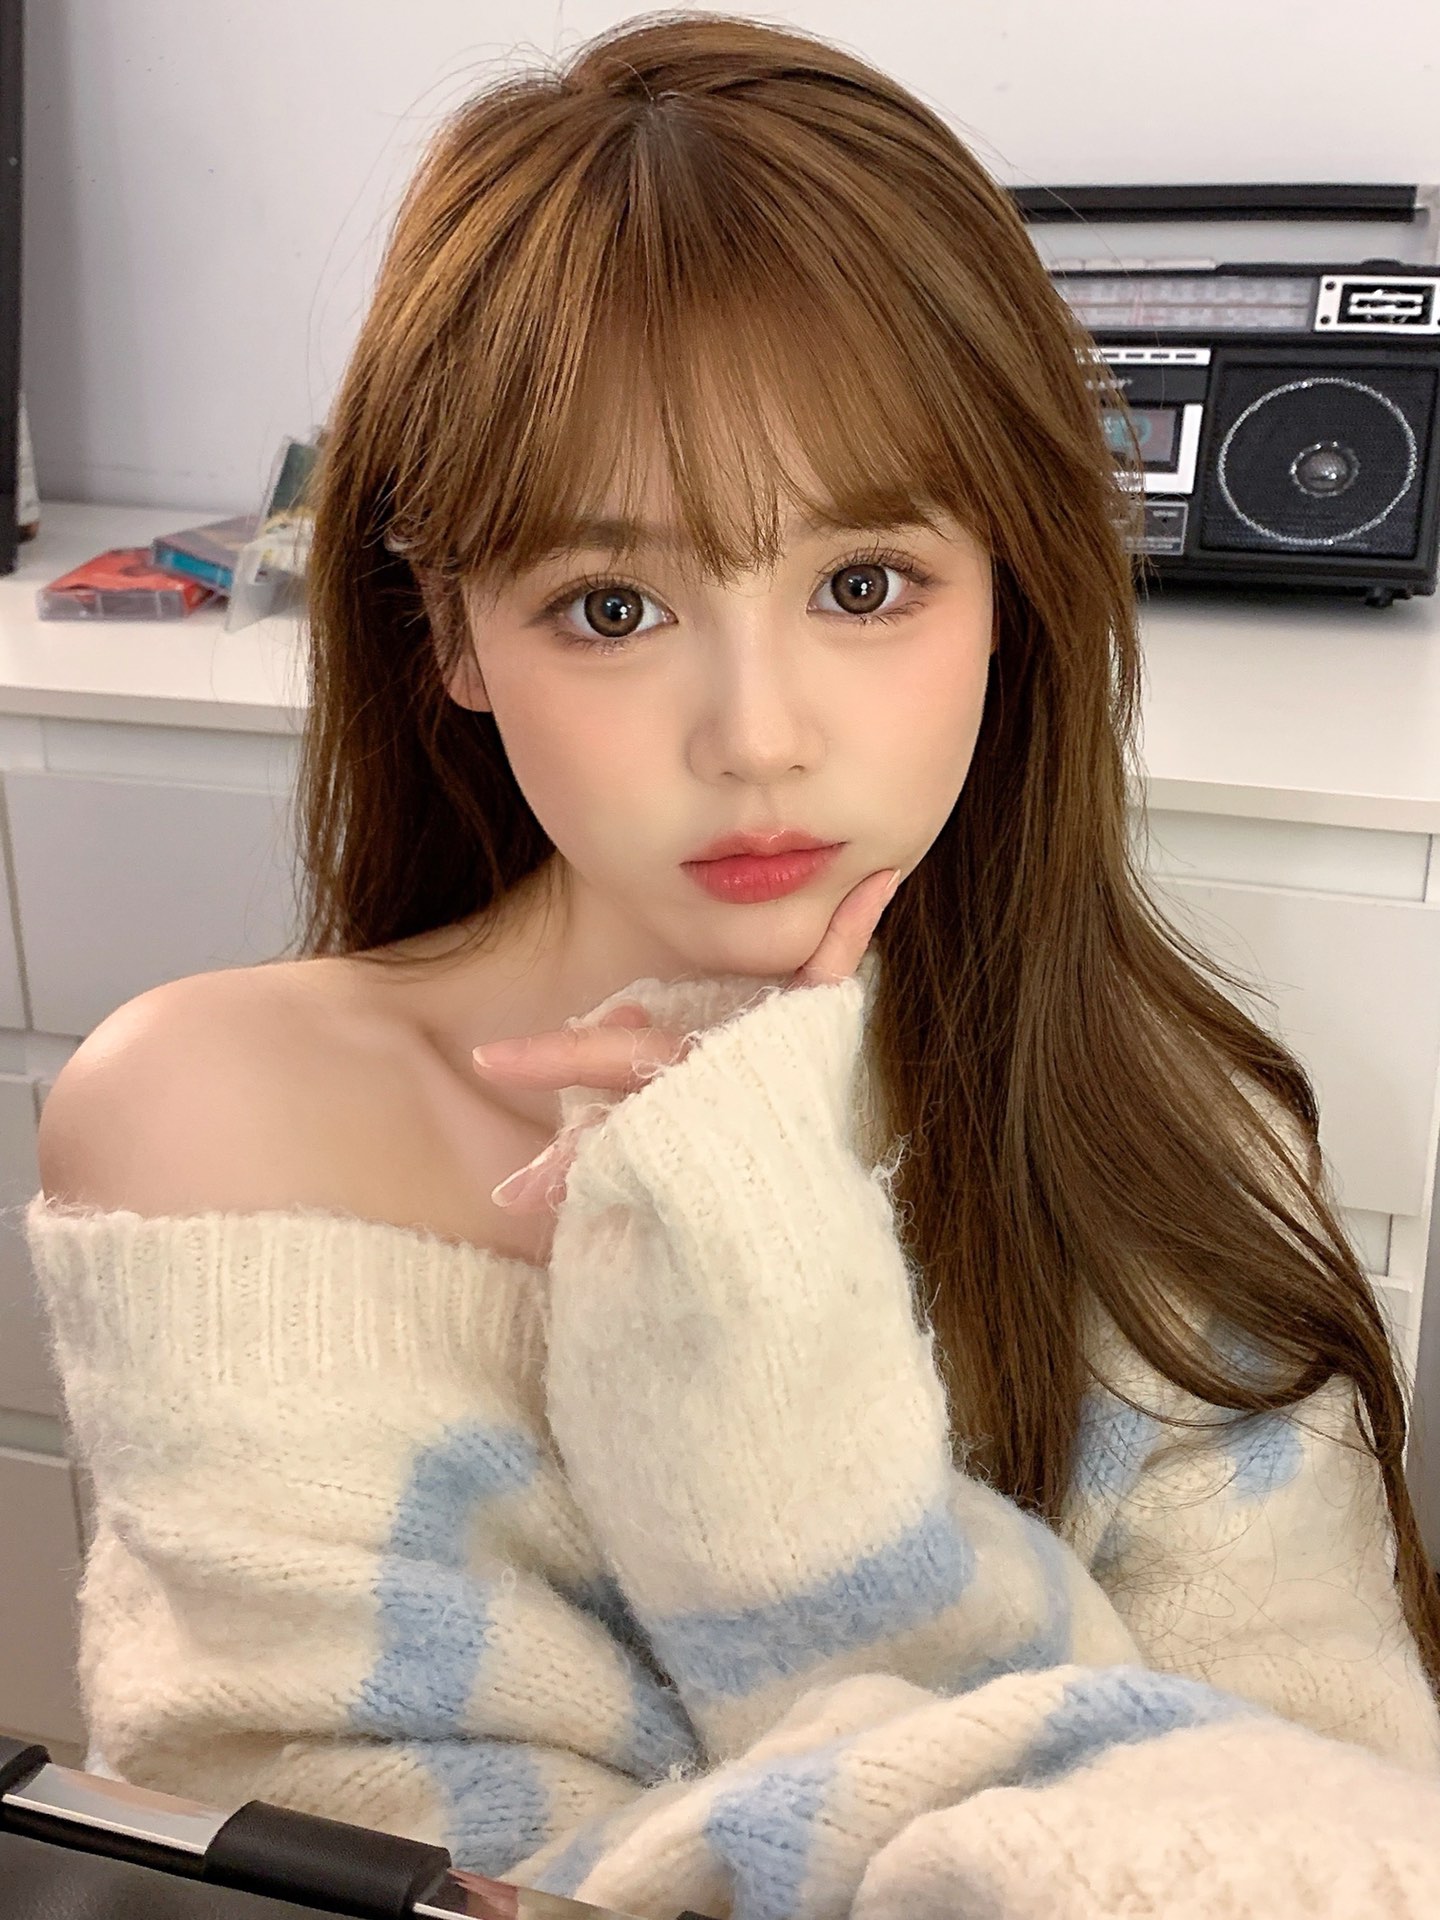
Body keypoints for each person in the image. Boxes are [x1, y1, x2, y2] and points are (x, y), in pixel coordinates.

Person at [23, 10, 1440, 1917]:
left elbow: (1323, 1847)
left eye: (863, 585)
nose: (758, 736)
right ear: (452, 630)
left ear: (1010, 590)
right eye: (612, 606)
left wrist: (769, 1317)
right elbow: (391, 1862)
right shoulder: (215, 1128)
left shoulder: (1173, 1152)